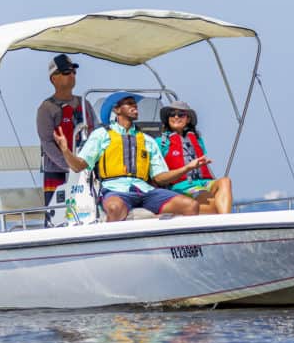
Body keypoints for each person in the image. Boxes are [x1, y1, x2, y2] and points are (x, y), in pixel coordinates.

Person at [52, 92, 199, 221]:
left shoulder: (147, 140)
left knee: (190, 206)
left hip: (146, 191)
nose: (134, 106)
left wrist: (187, 168)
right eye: (129, 104)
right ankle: (110, 248)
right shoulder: (101, 135)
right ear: (116, 110)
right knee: (115, 208)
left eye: (135, 104)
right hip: (115, 189)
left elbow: (159, 177)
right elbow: (78, 166)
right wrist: (65, 150)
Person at [36, 54, 97, 208]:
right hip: (58, 171)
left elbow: (96, 133)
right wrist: (69, 166)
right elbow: (47, 142)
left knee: (89, 208)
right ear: (53, 78)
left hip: (86, 169)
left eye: (73, 72)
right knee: (58, 213)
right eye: (65, 72)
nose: (71, 75)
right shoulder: (46, 108)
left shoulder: (85, 103)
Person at [153, 100, 233, 214]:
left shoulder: (197, 140)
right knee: (209, 200)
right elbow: (158, 174)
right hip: (183, 185)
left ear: (188, 119)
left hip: (205, 182)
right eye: (172, 114)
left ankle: (226, 221)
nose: (176, 117)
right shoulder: (160, 142)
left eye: (180, 114)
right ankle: (224, 223)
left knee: (226, 181)